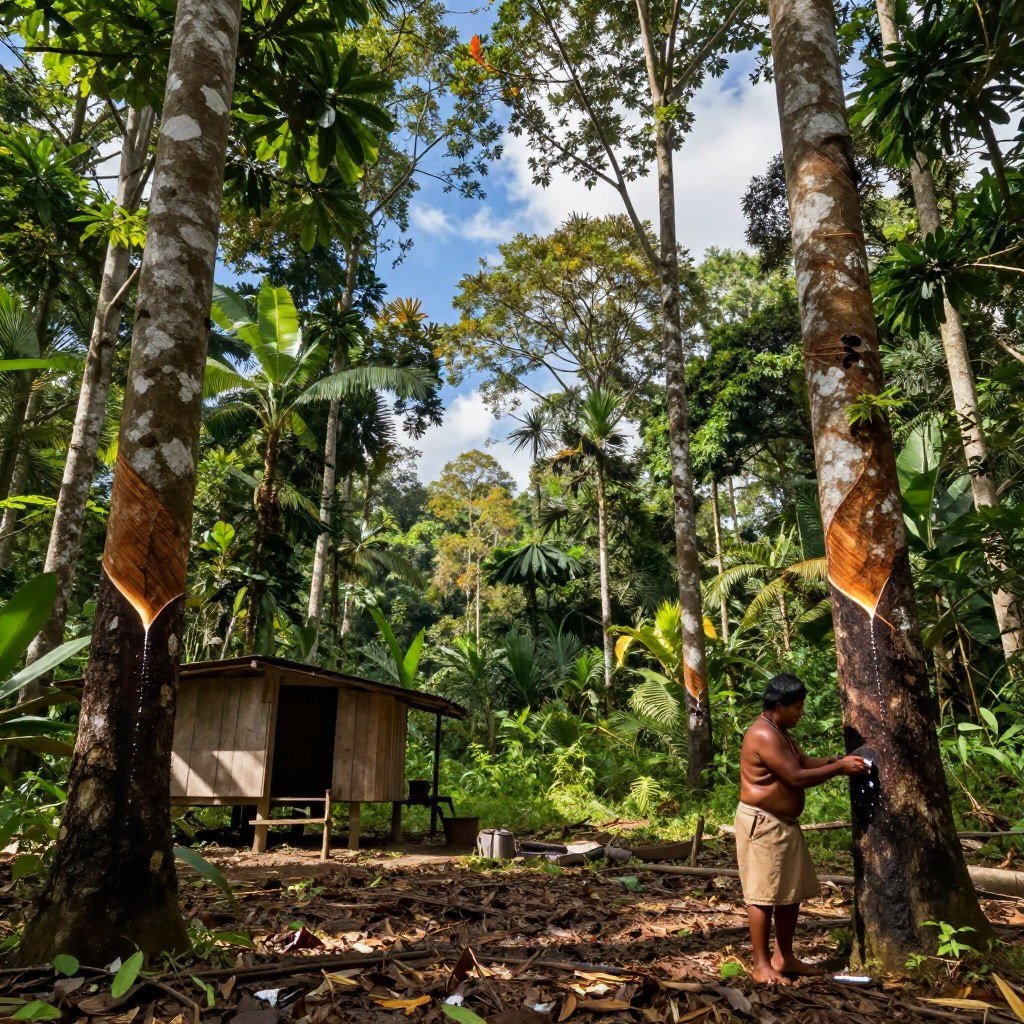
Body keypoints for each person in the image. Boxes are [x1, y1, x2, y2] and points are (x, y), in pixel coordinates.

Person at [736, 672, 869, 985]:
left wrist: (836, 759)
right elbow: (795, 777)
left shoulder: (779, 729)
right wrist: (839, 769)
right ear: (779, 705)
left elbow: (804, 761)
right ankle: (761, 964)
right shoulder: (764, 734)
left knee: (789, 893)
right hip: (763, 824)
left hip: (783, 824)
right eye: (797, 707)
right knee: (763, 896)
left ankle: (784, 957)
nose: (801, 713)